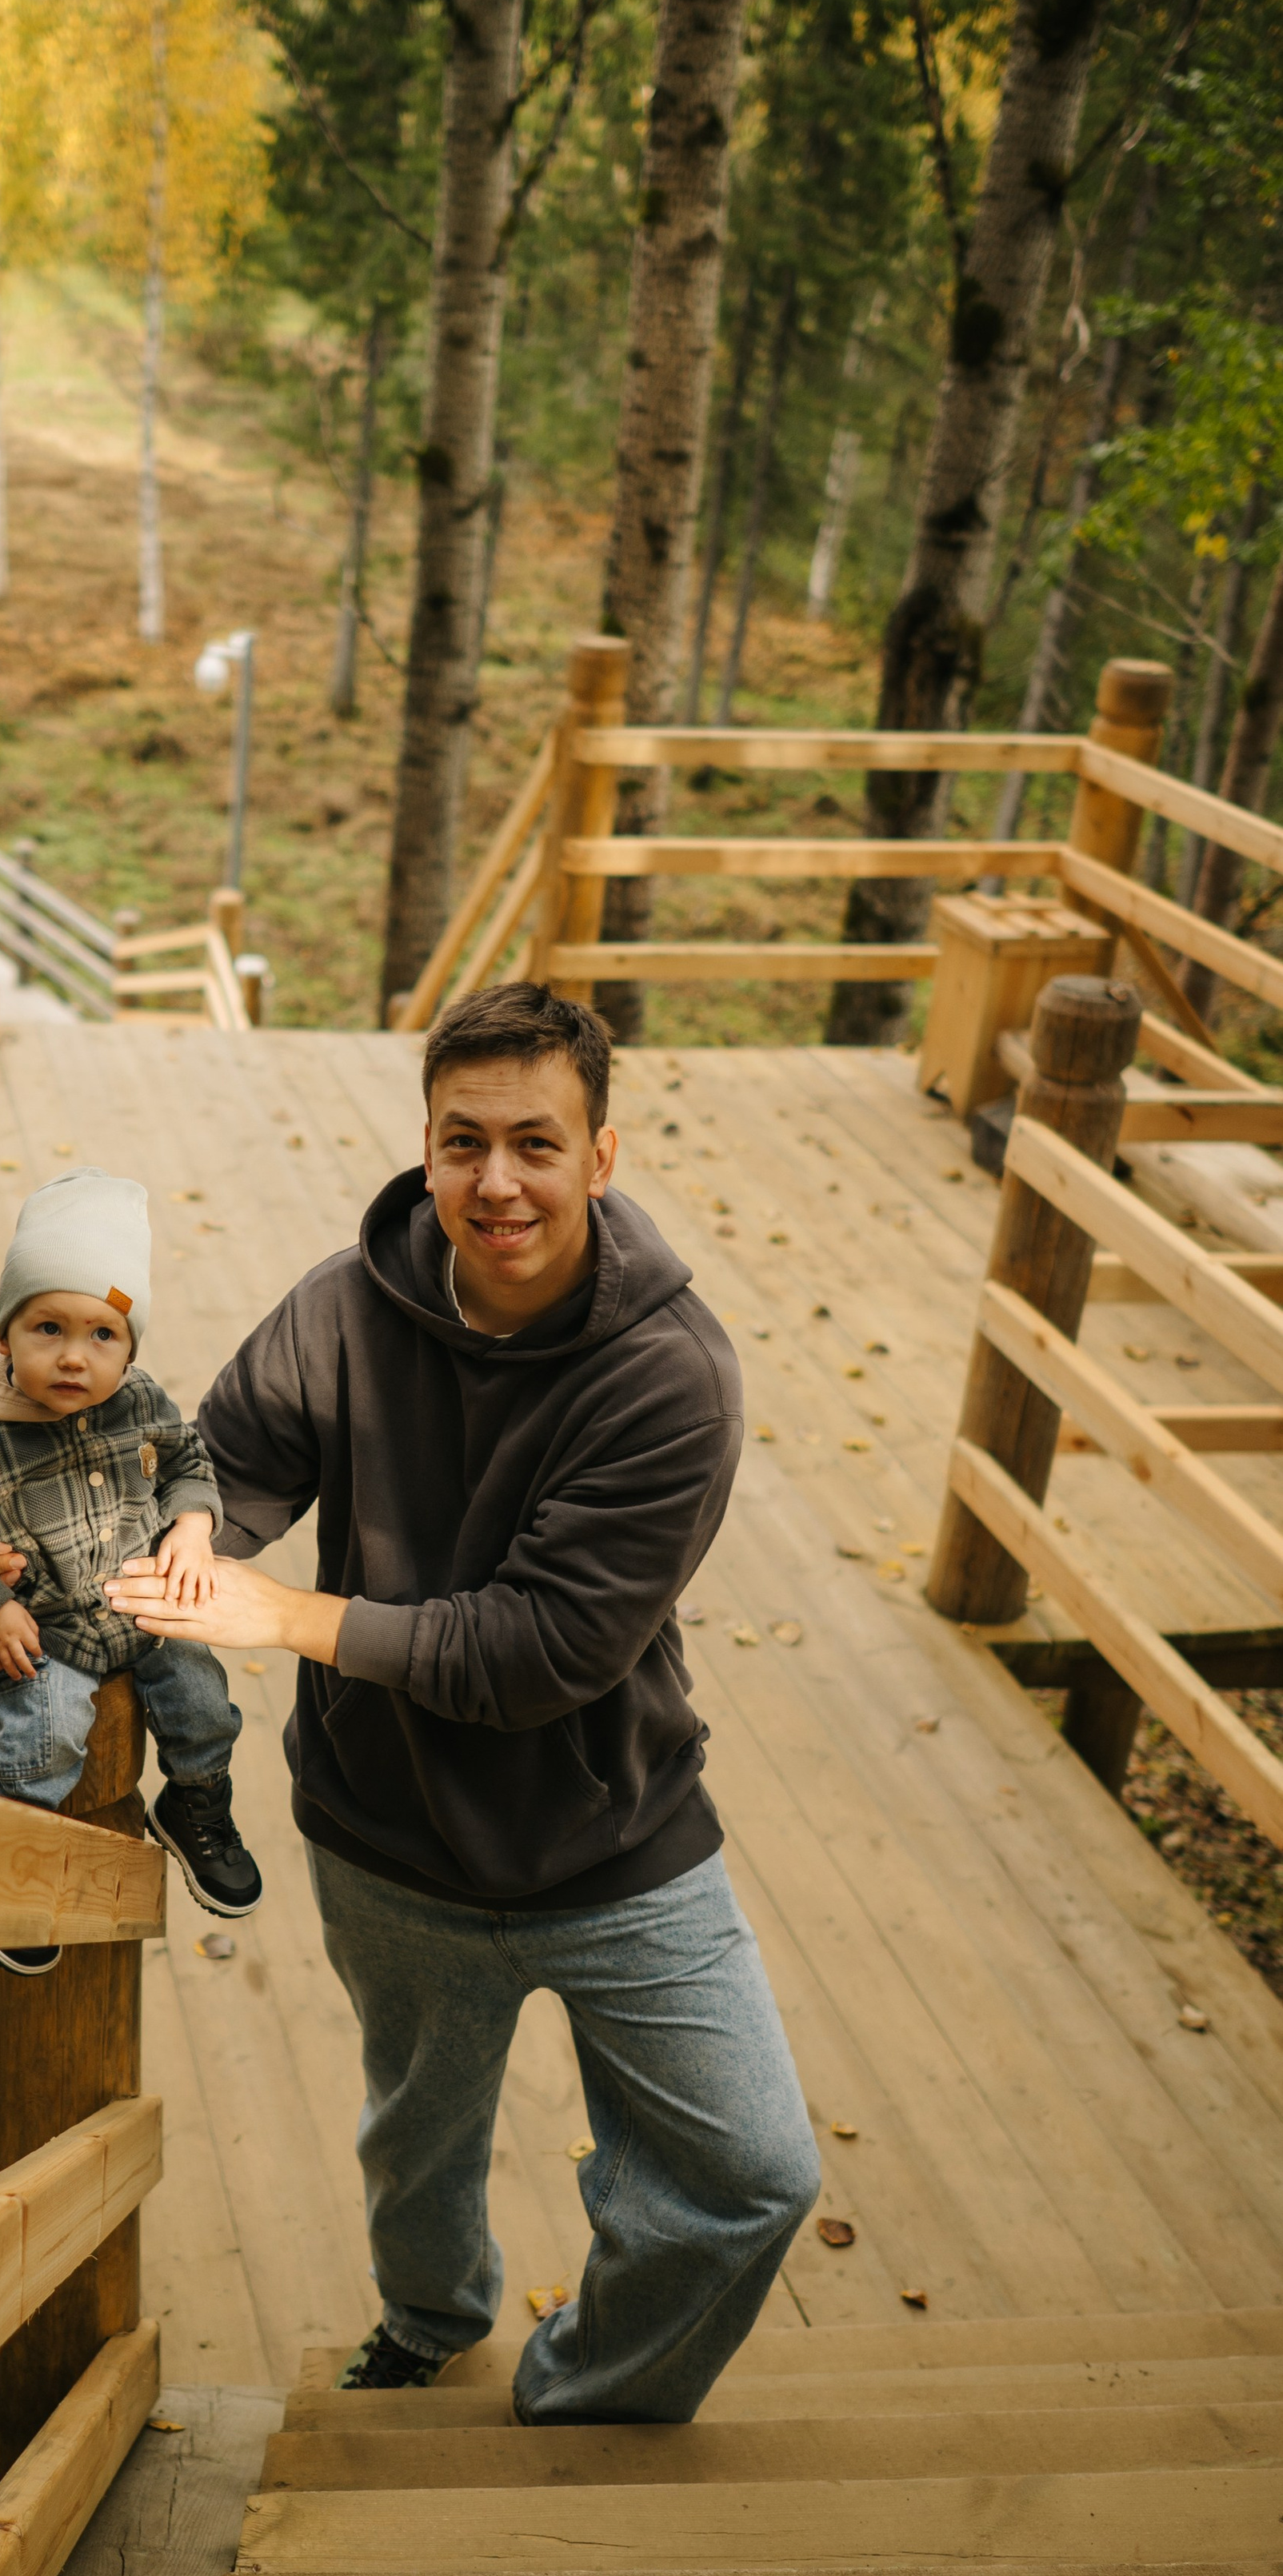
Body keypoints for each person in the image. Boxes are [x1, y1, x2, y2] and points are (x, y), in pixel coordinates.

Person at [105, 985, 819, 2421]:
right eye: (463, 1140)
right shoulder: (342, 1304)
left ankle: (587, 2392)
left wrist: (284, 1616)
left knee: (754, 2170)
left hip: (618, 1841)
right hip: (388, 1839)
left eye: (537, 1144)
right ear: (426, 1148)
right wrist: (186, 1537)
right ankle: (431, 2323)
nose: (498, 1181)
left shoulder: (670, 1375)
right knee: (416, 2135)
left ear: (601, 1159)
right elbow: (227, 1463)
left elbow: (536, 1651)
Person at [0, 1165, 262, 1976]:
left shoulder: (139, 1401)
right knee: (46, 1730)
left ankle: (195, 1804)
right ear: (5, 1336)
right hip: (53, 1622)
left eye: (102, 1335)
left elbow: (186, 1456)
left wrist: (196, 1524)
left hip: (138, 1600)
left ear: (130, 1348)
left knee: (200, 1694)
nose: (73, 1356)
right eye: (46, 1329)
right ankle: (18, 1863)